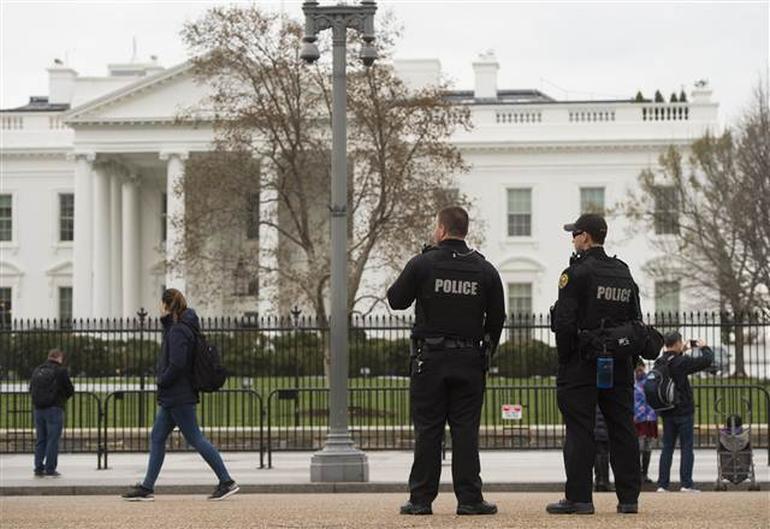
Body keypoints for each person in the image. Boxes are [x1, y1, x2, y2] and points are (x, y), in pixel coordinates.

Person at [387, 206, 505, 516]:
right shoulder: (485, 269)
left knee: (429, 429)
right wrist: (485, 350)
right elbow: (497, 319)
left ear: (441, 230)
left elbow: (396, 299)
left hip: (431, 359)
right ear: (465, 230)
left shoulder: (424, 264)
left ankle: (421, 499)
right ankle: (469, 499)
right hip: (469, 359)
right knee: (466, 431)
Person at [547, 213, 644, 515]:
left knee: (579, 430)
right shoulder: (623, 272)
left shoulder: (574, 274)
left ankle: (579, 498)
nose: (573, 240)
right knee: (622, 429)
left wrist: (565, 360)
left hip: (583, 361)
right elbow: (635, 320)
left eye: (574, 234)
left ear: (585, 237)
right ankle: (629, 498)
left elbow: (564, 323)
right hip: (619, 361)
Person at [122, 289, 238, 502]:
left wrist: (161, 380)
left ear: (166, 305)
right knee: (157, 437)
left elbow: (177, 363)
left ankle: (226, 481)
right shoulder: (183, 327)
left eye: (161, 304)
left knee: (195, 438)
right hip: (175, 395)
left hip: (178, 394)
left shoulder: (178, 331)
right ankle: (147, 487)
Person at [656, 332, 713, 493]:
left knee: (667, 447)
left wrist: (682, 351)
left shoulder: (660, 361)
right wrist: (704, 347)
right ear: (678, 343)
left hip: (667, 410)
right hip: (683, 410)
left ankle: (662, 484)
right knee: (687, 447)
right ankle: (686, 484)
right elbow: (706, 361)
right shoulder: (681, 361)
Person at [29, 349, 75, 477]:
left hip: (38, 409)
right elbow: (70, 390)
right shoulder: (61, 371)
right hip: (54, 408)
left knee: (41, 439)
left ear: (49, 357)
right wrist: (62, 398)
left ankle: (38, 467)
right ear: (59, 357)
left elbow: (31, 388)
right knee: (52, 440)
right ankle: (50, 468)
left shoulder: (37, 370)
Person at [633, 360, 657, 484]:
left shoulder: (649, 381)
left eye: (641, 368)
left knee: (648, 446)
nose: (639, 371)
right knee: (638, 447)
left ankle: (644, 473)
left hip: (650, 418)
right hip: (637, 419)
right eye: (637, 369)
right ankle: (637, 473)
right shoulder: (632, 383)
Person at [593, 406, 612, 492]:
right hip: (604, 428)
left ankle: (599, 480)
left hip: (595, 428)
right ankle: (604, 481)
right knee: (604, 455)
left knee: (598, 455)